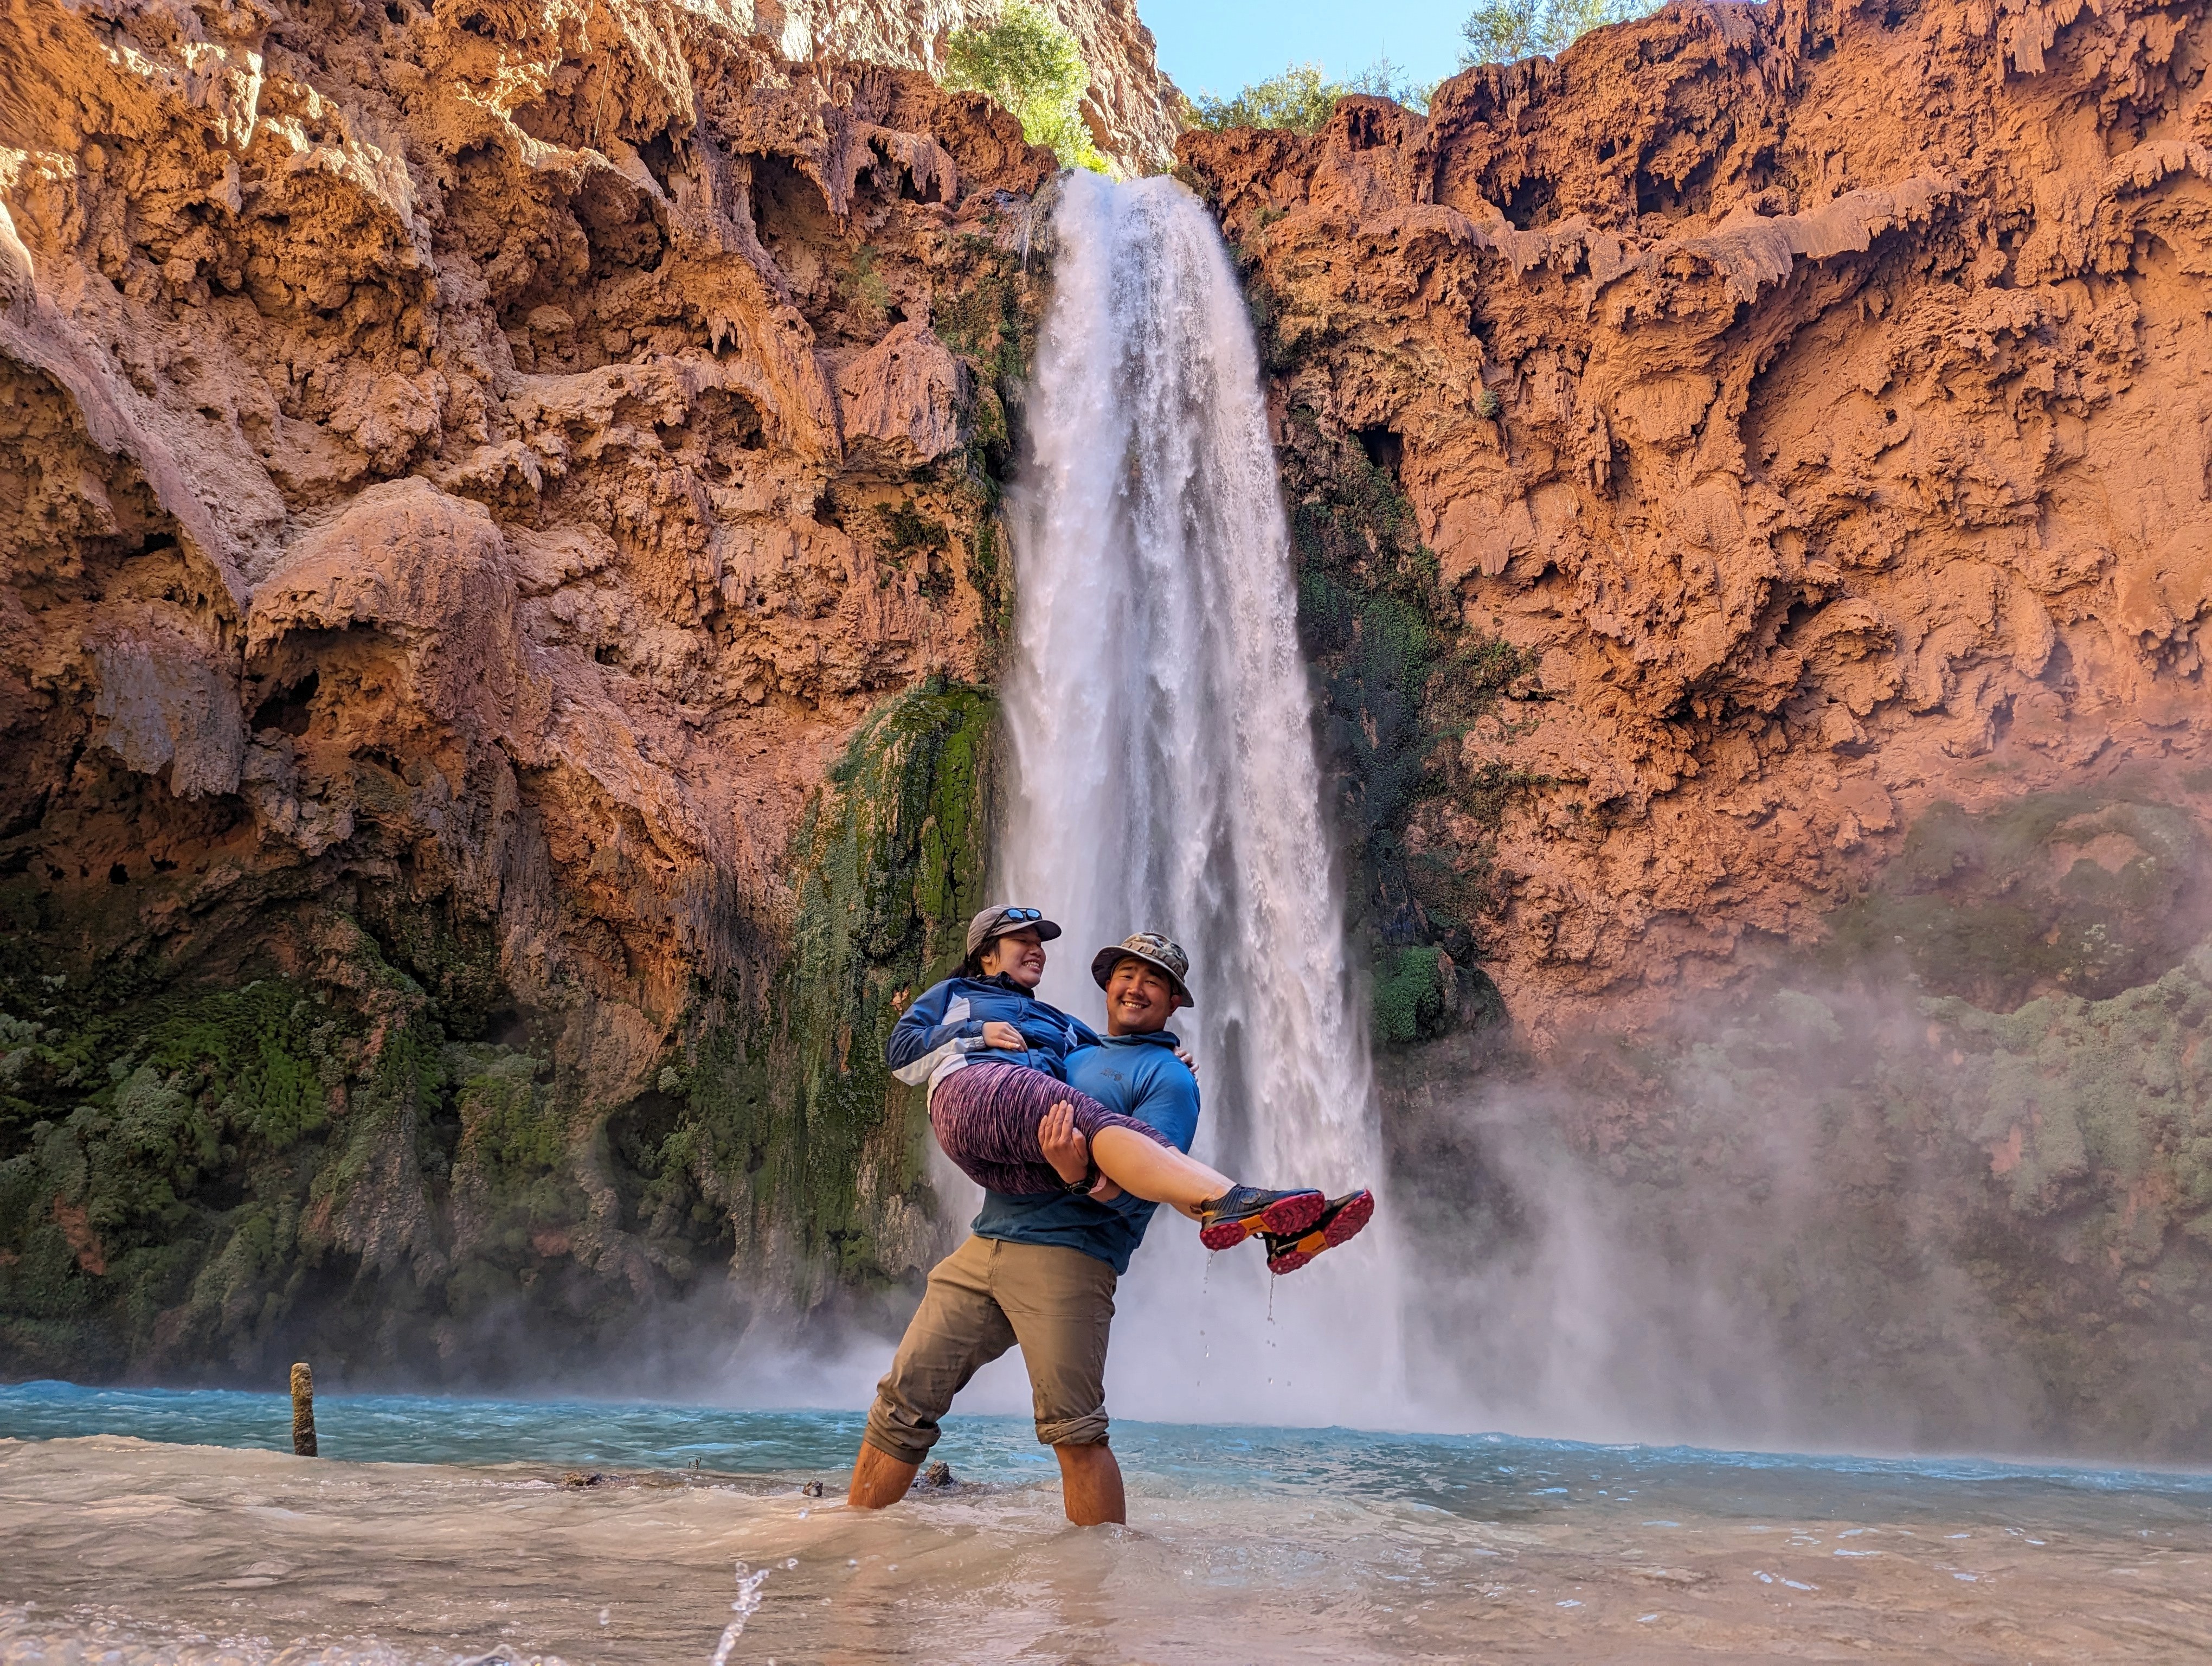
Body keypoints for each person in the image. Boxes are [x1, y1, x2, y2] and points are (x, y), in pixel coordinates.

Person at [850, 911, 1373, 1524]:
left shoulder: (1167, 1076)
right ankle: (854, 1545)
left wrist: (1075, 1172)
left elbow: (1140, 1191)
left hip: (1067, 1261)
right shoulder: (1072, 1045)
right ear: (1105, 984)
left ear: (1175, 1000)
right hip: (987, 1243)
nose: (1136, 987)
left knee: (1075, 1433)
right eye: (1127, 973)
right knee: (902, 1405)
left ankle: (1099, 1598)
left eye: (1155, 981)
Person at [884, 905, 1333, 1247]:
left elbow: (1104, 1056)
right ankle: (1231, 1197)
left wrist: (1167, 1054)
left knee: (1136, 1153)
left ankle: (1273, 1227)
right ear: (985, 955)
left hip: (1013, 1158)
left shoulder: (1062, 1022)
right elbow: (901, 1052)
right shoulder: (957, 993)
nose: (1036, 948)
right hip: (973, 1095)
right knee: (1097, 1122)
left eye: (1040, 941)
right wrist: (977, 1030)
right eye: (1022, 938)